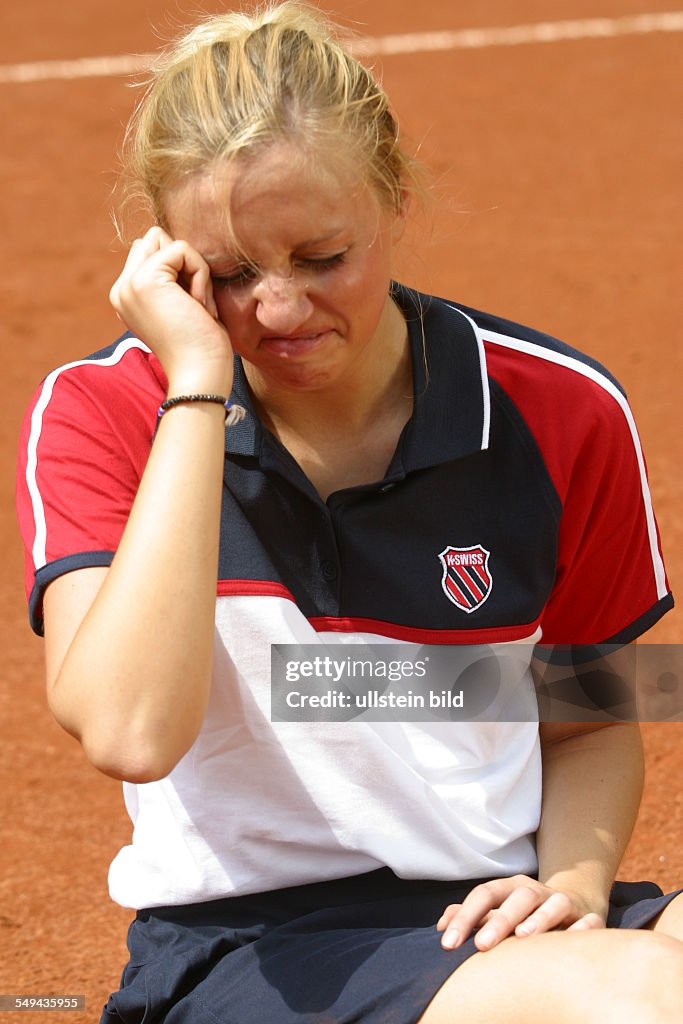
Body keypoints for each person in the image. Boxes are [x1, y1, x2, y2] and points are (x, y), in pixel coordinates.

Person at [15, 3, 683, 1022]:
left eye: (322, 256)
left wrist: (574, 889)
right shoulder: (105, 413)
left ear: (395, 198)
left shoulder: (558, 411)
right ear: (166, 257)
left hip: (491, 922)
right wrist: (197, 385)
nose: (278, 312)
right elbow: (130, 729)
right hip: (255, 948)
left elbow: (586, 716)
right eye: (230, 274)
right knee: (640, 998)